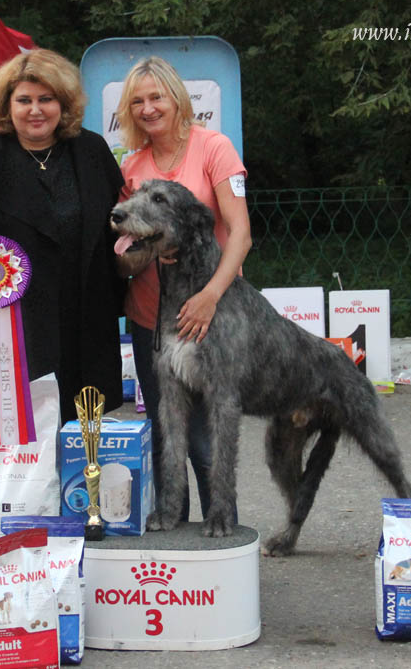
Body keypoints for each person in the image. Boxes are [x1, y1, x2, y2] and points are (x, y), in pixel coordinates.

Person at [0, 48, 125, 420]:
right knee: (21, 424)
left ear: (63, 104)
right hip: (17, 322)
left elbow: (119, 217)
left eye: (46, 99)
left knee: (84, 423)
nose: (36, 110)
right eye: (24, 100)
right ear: (6, 106)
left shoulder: (92, 150)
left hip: (86, 311)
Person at [115, 56, 252, 523]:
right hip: (152, 316)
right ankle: (172, 523)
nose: (148, 108)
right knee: (164, 429)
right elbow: (131, 250)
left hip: (210, 311)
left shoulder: (214, 148)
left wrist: (212, 295)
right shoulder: (132, 164)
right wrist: (128, 256)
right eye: (137, 101)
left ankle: (222, 521)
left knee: (205, 434)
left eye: (156, 97)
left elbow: (240, 233)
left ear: (177, 98)